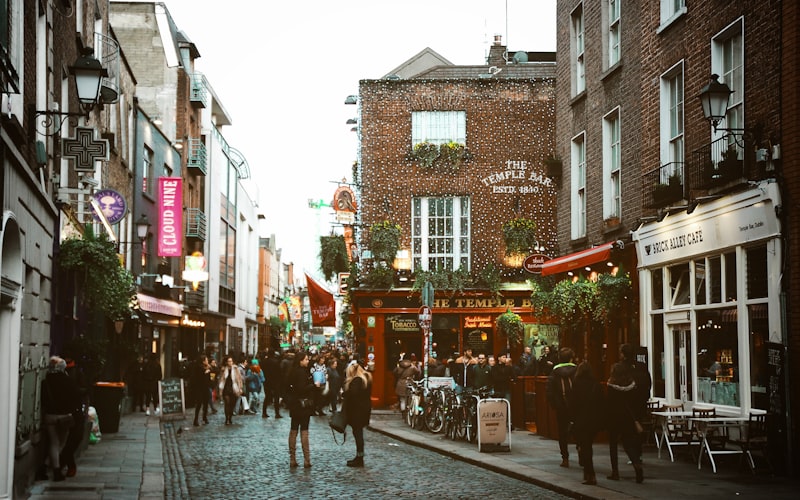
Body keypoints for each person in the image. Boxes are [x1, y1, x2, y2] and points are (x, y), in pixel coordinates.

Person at [41, 356, 81, 481]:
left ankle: (44, 468)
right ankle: (56, 471)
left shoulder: (45, 381)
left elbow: (43, 399)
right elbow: (75, 397)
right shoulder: (68, 381)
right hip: (65, 416)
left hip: (50, 416)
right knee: (61, 443)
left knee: (53, 443)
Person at [568, 361, 605, 485]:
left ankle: (590, 473)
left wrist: (572, 419)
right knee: (588, 445)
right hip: (593, 420)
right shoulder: (596, 384)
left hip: (581, 420)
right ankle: (588, 472)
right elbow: (602, 403)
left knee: (585, 447)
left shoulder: (576, 384)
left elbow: (572, 404)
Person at [606, 361, 643, 482]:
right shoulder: (632, 385)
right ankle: (637, 464)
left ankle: (615, 472)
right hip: (627, 418)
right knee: (628, 444)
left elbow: (608, 403)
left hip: (613, 417)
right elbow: (634, 402)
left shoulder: (611, 385)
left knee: (613, 445)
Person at [546, 347, 577, 468]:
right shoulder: (577, 369)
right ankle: (581, 450)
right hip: (575, 405)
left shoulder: (554, 371)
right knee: (579, 428)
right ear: (571, 358)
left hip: (561, 406)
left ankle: (565, 458)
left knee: (562, 432)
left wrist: (554, 404)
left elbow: (549, 390)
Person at [342, 360, 373, 467]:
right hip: (364, 409)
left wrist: (345, 393)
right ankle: (359, 456)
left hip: (357, 411)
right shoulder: (366, 379)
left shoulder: (357, 380)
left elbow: (352, 394)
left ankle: (359, 458)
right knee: (358, 433)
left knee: (358, 434)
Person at [287, 351, 315, 468]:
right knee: (304, 431)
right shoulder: (302, 373)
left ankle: (292, 459)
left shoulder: (292, 371)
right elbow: (302, 388)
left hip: (294, 404)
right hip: (303, 405)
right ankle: (306, 460)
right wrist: (314, 384)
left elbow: (288, 387)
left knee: (293, 430)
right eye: (306, 359)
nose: (308, 361)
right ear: (300, 360)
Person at [217, 355, 244, 425]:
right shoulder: (223, 369)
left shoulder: (235, 369)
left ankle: (230, 417)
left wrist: (240, 388)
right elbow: (220, 379)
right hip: (226, 388)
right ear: (226, 362)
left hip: (234, 388)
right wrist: (219, 388)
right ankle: (227, 419)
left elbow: (239, 379)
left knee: (232, 404)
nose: (230, 362)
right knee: (227, 403)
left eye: (231, 361)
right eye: (229, 361)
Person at [189, 355, 212, 426]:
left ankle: (204, 417)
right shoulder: (198, 368)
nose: (207, 361)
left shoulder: (207, 368)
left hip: (205, 388)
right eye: (206, 360)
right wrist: (206, 371)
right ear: (203, 361)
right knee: (199, 403)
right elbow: (199, 377)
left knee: (205, 403)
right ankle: (196, 419)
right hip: (199, 388)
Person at [263, 350, 283, 418]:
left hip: (267, 381)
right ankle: (277, 413)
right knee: (276, 398)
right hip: (275, 381)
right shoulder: (276, 362)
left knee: (267, 397)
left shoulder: (264, 362)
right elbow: (279, 372)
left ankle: (264, 412)